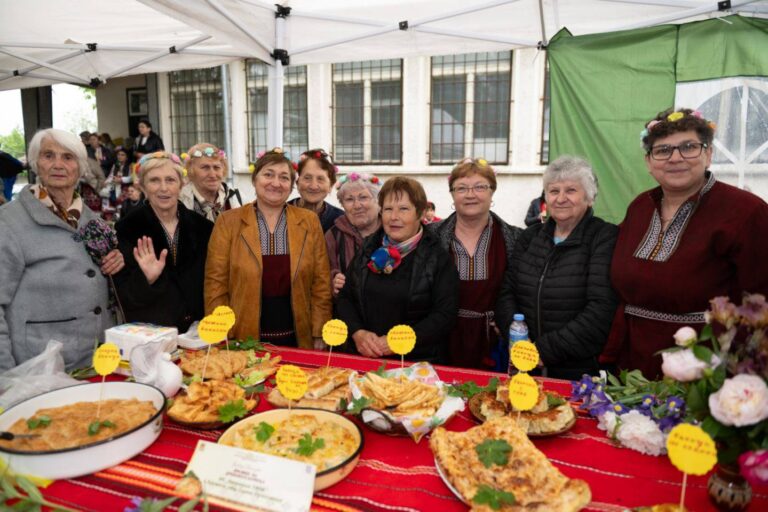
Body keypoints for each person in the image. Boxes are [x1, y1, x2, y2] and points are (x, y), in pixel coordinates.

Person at [603, 108, 768, 378]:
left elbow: (762, 304)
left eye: (689, 147)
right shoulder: (640, 207)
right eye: (663, 150)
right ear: (649, 161)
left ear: (708, 154)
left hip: (706, 369)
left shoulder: (746, 212)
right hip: (633, 366)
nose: (675, 158)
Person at [0, 128, 124, 371]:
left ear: (80, 167)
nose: (58, 164)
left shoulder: (93, 221)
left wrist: (116, 262)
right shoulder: (8, 222)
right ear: (36, 163)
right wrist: (5, 377)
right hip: (39, 369)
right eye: (48, 156)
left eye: (68, 157)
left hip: (96, 362)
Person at [495, 156, 618, 380]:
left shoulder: (604, 237)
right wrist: (519, 342)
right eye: (553, 191)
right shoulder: (530, 236)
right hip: (524, 363)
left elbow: (601, 309)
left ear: (589, 198)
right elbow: (506, 292)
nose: (561, 198)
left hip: (578, 371)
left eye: (571, 190)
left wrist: (543, 351)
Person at [205, 148, 332, 348]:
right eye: (268, 175)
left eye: (284, 178)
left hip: (298, 333)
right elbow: (215, 284)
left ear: (292, 186)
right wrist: (220, 332)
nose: (275, 183)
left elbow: (321, 283)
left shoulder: (309, 221)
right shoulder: (228, 222)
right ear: (255, 180)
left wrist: (319, 331)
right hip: (242, 333)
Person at [337, 176, 459, 363]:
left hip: (416, 364)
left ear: (419, 213)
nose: (394, 217)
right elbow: (345, 298)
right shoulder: (368, 248)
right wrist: (357, 332)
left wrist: (399, 341)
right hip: (366, 357)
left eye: (403, 209)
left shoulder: (437, 256)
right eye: (388, 209)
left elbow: (445, 315)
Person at [432, 158, 521, 370]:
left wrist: (507, 324)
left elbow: (521, 291)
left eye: (480, 187)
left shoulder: (516, 238)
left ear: (492, 192)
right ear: (452, 194)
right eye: (461, 188)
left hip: (494, 341)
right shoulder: (431, 236)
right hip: (442, 338)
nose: (470, 195)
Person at [114, 152, 213, 333]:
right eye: (154, 181)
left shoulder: (204, 228)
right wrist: (146, 278)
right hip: (152, 335)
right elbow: (124, 296)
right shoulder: (127, 229)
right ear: (142, 186)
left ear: (181, 185)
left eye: (170, 180)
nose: (163, 188)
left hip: (198, 334)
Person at [326, 173, 382, 297]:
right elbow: (323, 274)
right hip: (349, 310)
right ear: (342, 205)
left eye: (363, 197)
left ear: (377, 201)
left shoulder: (391, 230)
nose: (357, 205)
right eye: (349, 199)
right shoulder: (333, 236)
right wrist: (333, 280)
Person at [180, 143, 242, 222]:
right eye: (205, 167)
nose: (212, 175)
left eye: (216, 167)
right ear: (191, 170)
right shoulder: (179, 202)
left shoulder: (237, 197)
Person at [288, 148, 344, 232]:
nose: (313, 186)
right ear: (297, 182)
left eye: (320, 179)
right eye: (307, 178)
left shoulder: (340, 221)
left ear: (330, 186)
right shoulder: (280, 215)